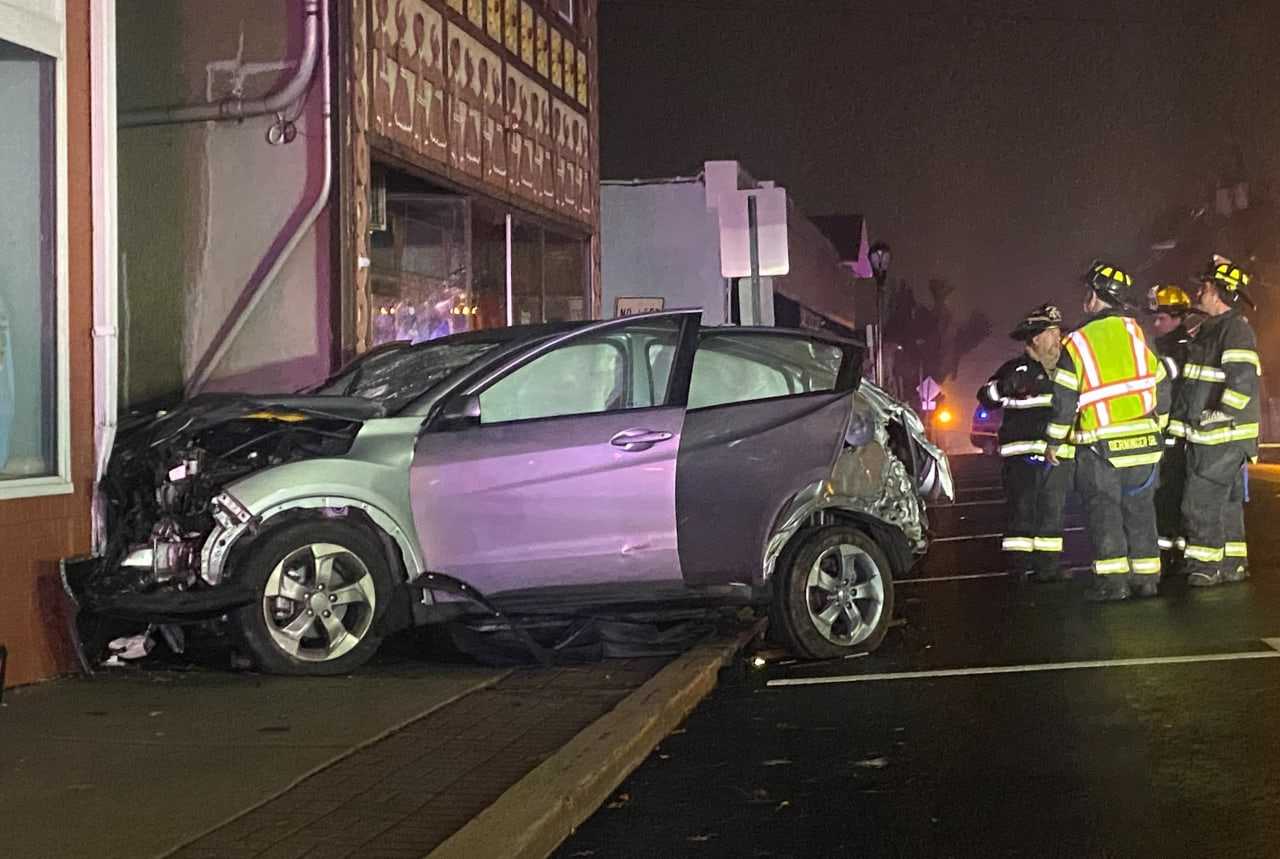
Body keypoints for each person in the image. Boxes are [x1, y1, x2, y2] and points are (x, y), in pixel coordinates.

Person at [1045, 261, 1169, 601]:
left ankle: (1113, 583)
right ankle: (1147, 579)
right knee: (1142, 511)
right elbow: (1161, 382)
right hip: (1145, 446)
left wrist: (1055, 441)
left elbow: (1065, 399)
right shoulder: (1138, 332)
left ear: (1096, 295)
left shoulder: (1079, 341)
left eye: (1088, 290)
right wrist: (1160, 425)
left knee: (1105, 513)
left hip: (1102, 451)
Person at [1173, 256, 1260, 586]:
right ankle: (1232, 564)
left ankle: (1205, 566)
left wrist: (1218, 415)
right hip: (1219, 438)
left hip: (1220, 438)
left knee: (1199, 501)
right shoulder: (1217, 329)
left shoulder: (1233, 329)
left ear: (1217, 292)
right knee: (1226, 505)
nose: (1199, 293)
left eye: (1204, 287)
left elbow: (1242, 382)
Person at [978, 303, 1072, 582]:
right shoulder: (1013, 368)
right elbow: (985, 397)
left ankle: (1048, 569)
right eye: (1052, 333)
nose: (1058, 339)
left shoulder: (1067, 370)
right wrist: (1006, 385)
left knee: (1052, 514)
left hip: (1057, 457)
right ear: (1035, 338)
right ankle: (1018, 568)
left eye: (1058, 332)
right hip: (1022, 459)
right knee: (1021, 512)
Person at [1148, 285, 1195, 563]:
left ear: (1177, 317)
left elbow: (1161, 378)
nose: (1156, 324)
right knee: (1166, 495)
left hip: (1174, 437)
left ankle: (1169, 552)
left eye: (1161, 318)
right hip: (1169, 434)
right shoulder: (1168, 346)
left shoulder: (1180, 348)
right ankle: (1169, 549)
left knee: (1168, 494)